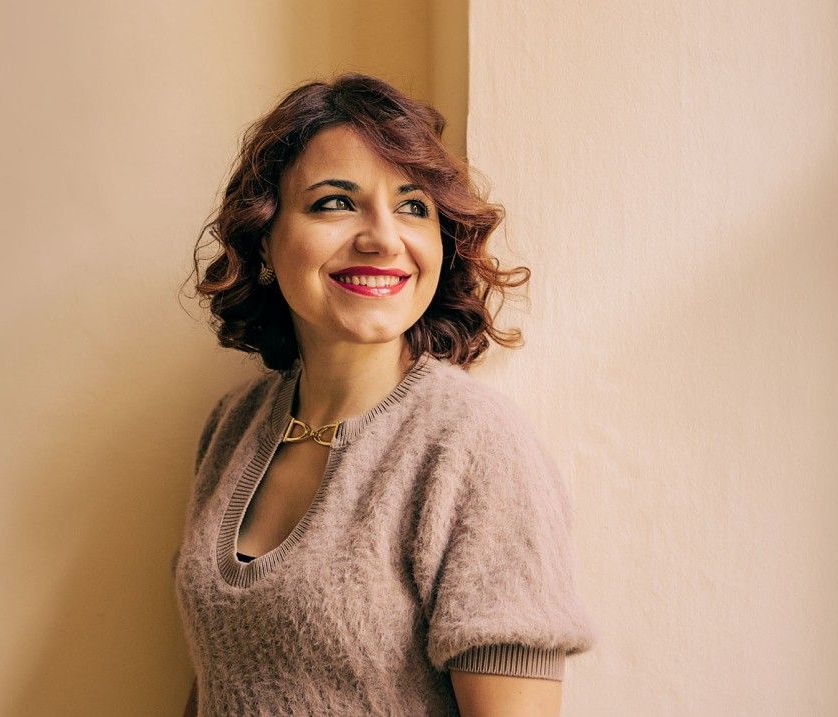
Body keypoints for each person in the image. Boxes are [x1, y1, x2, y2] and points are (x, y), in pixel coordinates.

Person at [173, 72, 596, 716]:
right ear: (264, 241)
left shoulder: (473, 443)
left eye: (413, 207)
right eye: (335, 203)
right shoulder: (234, 424)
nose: (382, 238)